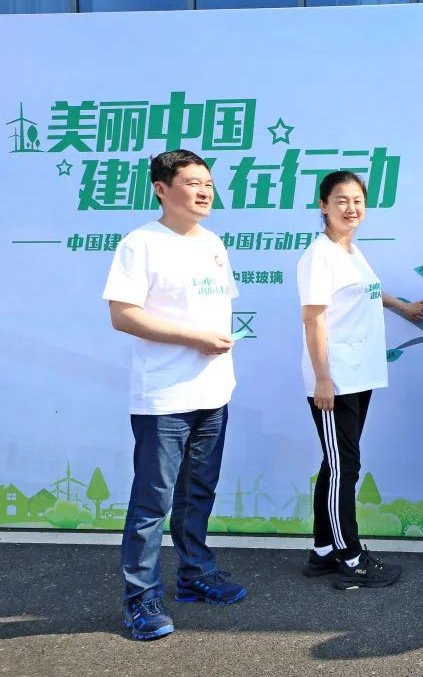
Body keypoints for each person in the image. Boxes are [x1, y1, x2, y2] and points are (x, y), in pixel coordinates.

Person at [103, 149, 246, 641]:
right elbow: (123, 315)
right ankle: (140, 600)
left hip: (214, 391)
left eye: (208, 182)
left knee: (198, 491)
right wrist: (194, 339)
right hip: (164, 396)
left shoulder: (213, 243)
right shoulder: (140, 244)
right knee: (152, 502)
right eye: (192, 182)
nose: (204, 191)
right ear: (162, 189)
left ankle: (195, 575)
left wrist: (211, 345)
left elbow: (217, 310)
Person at [297, 170, 423, 589]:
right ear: (323, 205)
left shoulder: (351, 252)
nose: (351, 208)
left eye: (357, 200)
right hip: (335, 378)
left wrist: (402, 307)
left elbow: (368, 291)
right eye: (341, 200)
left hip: (358, 374)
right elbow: (313, 320)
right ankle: (350, 557)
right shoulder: (319, 256)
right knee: (345, 467)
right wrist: (323, 379)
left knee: (336, 463)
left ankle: (323, 550)